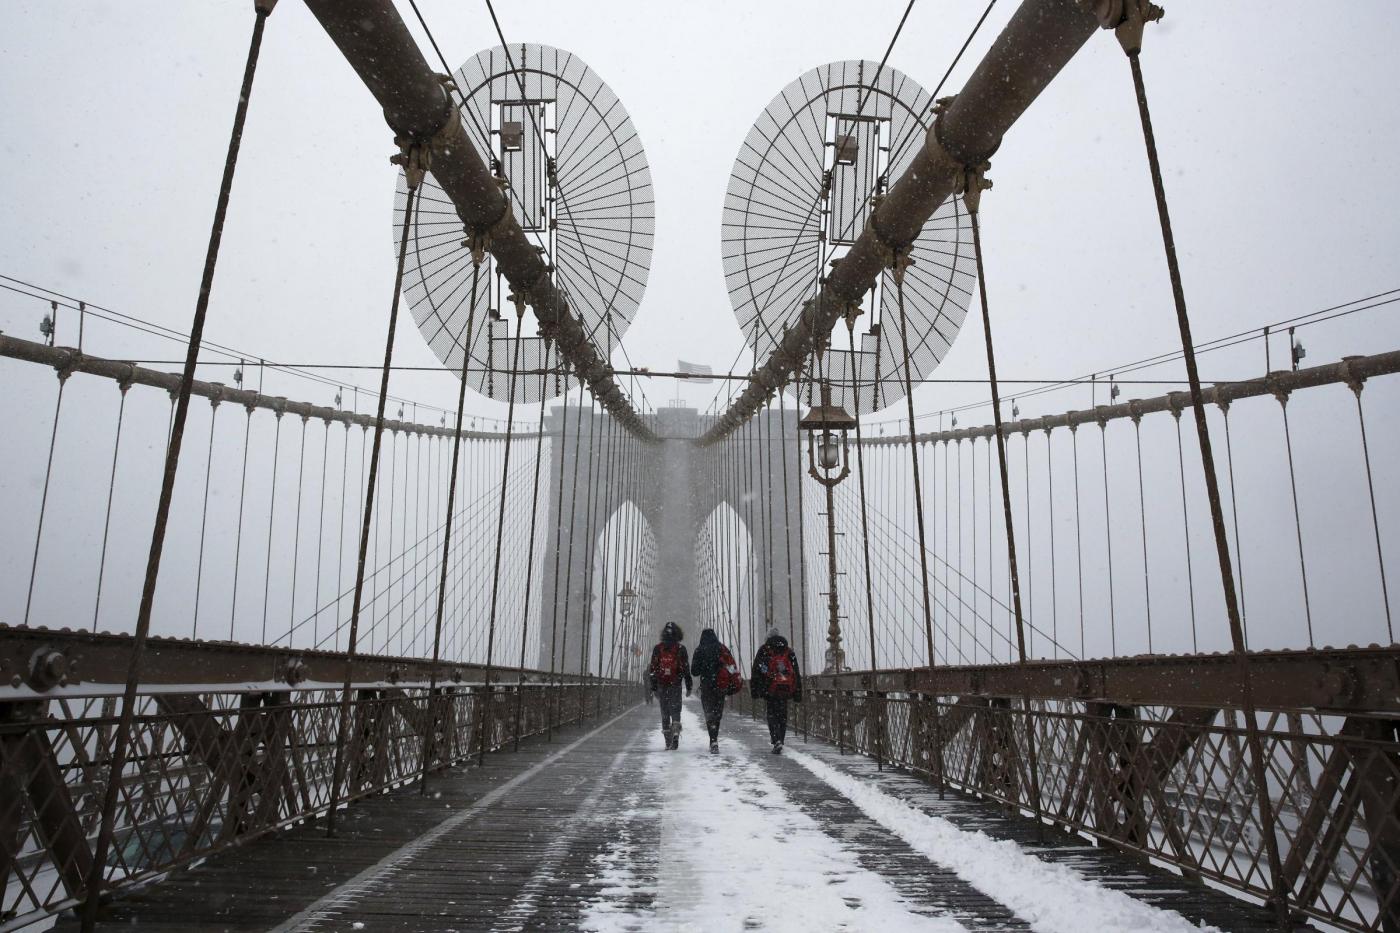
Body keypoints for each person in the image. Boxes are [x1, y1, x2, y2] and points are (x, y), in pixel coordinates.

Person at [688, 627, 743, 754]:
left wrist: (704, 667)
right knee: (717, 713)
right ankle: (714, 739)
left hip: (707, 686)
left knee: (709, 713)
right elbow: (731, 666)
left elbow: (694, 671)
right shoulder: (722, 648)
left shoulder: (699, 649)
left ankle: (713, 739)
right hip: (721, 685)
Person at [750, 626, 802, 754]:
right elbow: (796, 672)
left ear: (767, 638)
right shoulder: (788, 651)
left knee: (772, 714)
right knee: (782, 715)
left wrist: (755, 690)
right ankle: (780, 740)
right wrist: (797, 692)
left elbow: (756, 670)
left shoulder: (764, 650)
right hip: (785, 688)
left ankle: (776, 740)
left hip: (770, 688)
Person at [647, 622, 692, 749]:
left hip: (662, 684)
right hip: (675, 684)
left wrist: (653, 686)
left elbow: (653, 668)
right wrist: (688, 685)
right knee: (676, 710)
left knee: (665, 712)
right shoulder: (681, 648)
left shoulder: (658, 648)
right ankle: (676, 732)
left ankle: (668, 742)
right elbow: (686, 668)